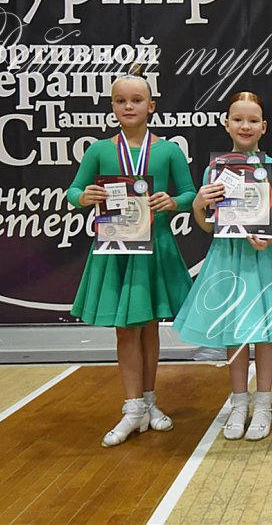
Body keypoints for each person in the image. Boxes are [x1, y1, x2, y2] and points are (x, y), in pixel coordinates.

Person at [67, 73, 195, 447]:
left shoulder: (168, 150)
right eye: (121, 100)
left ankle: (149, 402)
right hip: (117, 248)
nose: (128, 106)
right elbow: (73, 190)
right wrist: (84, 197)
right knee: (125, 329)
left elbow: (190, 193)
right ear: (112, 107)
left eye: (136, 100)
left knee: (150, 326)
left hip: (155, 247)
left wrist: (173, 202)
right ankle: (132, 406)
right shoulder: (98, 150)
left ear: (151, 106)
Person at [174, 92, 272, 441]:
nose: (245, 126)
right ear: (226, 124)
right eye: (238, 119)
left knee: (265, 334)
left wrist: (271, 238)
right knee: (233, 332)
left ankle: (263, 404)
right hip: (227, 258)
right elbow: (208, 226)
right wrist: (198, 205)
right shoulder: (214, 169)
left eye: (252, 120)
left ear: (264, 126)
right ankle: (238, 403)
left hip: (263, 259)